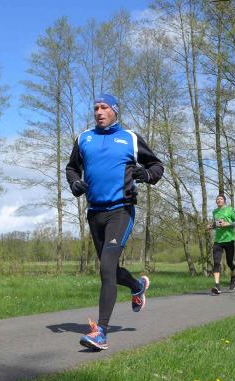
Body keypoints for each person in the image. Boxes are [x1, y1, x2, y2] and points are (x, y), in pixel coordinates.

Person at [66, 93, 164, 351]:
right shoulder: (84, 138)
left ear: (115, 111)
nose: (99, 112)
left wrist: (146, 174)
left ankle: (101, 332)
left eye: (104, 107)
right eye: (96, 108)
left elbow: (157, 165)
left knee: (107, 268)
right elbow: (72, 168)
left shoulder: (129, 138)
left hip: (121, 210)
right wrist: (74, 183)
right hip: (94, 212)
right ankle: (137, 285)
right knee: (109, 268)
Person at [206, 194, 235, 294]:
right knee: (216, 262)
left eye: (221, 199)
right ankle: (217, 286)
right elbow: (217, 224)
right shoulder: (215, 212)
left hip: (229, 240)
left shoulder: (229, 210)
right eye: (217, 199)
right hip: (218, 241)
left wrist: (228, 224)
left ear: (224, 201)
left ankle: (233, 278)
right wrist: (211, 226)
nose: (219, 200)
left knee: (230, 262)